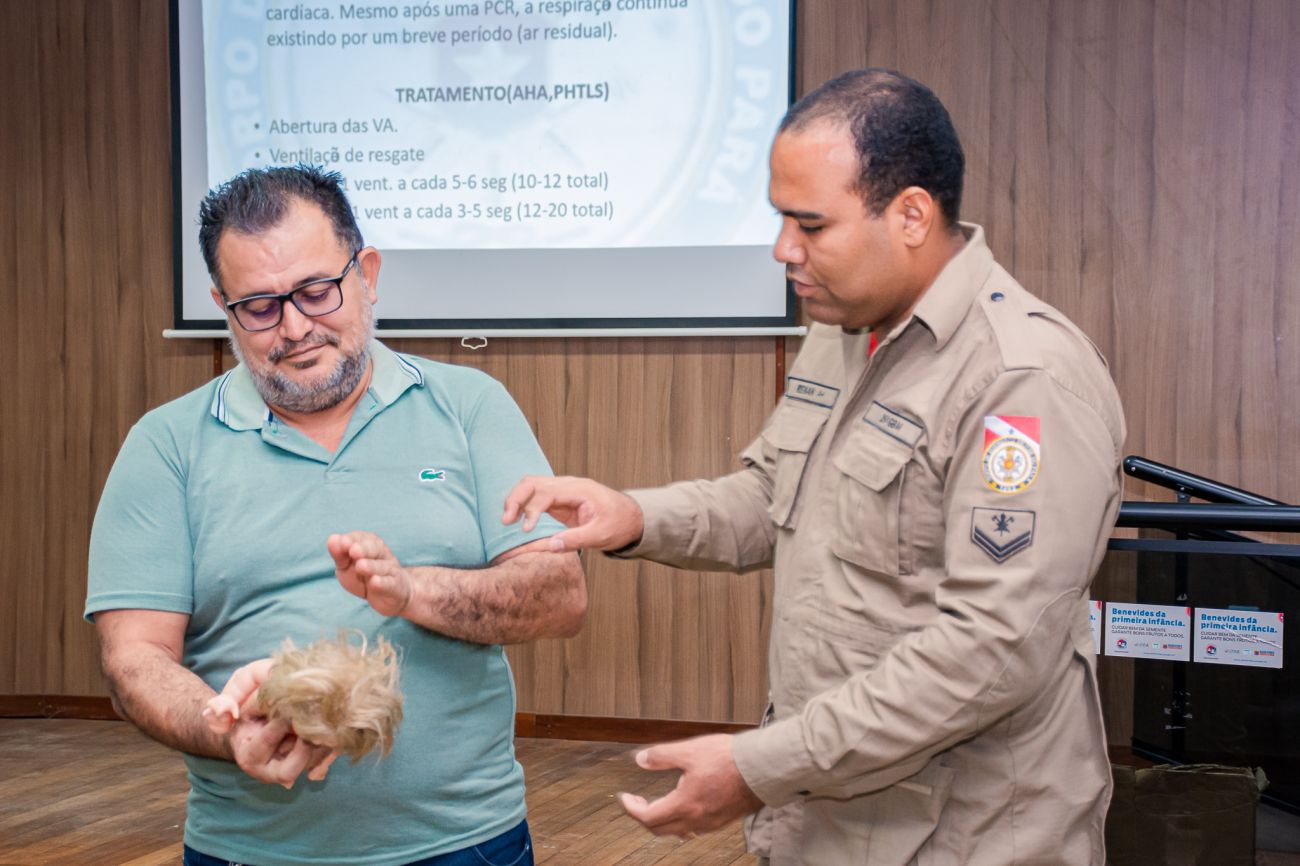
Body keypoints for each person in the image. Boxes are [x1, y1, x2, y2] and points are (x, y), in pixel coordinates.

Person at [503, 68, 1125, 865]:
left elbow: (993, 650)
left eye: (811, 224)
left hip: (962, 839)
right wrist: (635, 516)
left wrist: (760, 767)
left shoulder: (1022, 377)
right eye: (780, 219)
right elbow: (777, 497)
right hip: (825, 823)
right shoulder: (844, 331)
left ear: (911, 215)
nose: (783, 249)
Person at [86, 164, 586, 866]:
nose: (295, 328)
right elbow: (134, 658)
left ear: (367, 274)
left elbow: (560, 596)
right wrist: (228, 728)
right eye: (259, 307)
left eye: (316, 292)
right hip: (249, 850)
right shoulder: (165, 445)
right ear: (223, 306)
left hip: (467, 841)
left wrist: (411, 591)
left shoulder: (470, 406)